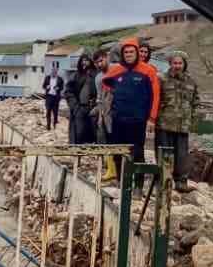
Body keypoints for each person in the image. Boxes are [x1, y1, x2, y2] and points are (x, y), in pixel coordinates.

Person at [100, 39, 156, 179]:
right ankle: (121, 180)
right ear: (122, 54)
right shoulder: (117, 69)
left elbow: (155, 95)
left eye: (131, 51)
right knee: (118, 150)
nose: (129, 54)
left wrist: (152, 118)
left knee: (137, 152)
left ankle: (137, 185)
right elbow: (105, 81)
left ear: (136, 52)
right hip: (119, 119)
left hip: (138, 120)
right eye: (126, 52)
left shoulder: (148, 70)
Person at [155, 52, 198, 190]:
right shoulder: (161, 79)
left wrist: (193, 119)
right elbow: (155, 100)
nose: (177, 66)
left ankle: (181, 182)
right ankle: (163, 180)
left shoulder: (191, 81)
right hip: (164, 123)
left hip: (183, 125)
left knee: (182, 154)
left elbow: (196, 102)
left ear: (184, 64)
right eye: (175, 63)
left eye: (180, 63)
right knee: (164, 154)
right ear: (170, 64)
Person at [65, 53, 97, 144]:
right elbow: (68, 92)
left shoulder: (96, 75)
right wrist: (75, 106)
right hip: (80, 108)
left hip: (93, 108)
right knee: (79, 133)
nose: (85, 62)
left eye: (87, 60)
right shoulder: (76, 75)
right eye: (83, 60)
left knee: (94, 133)